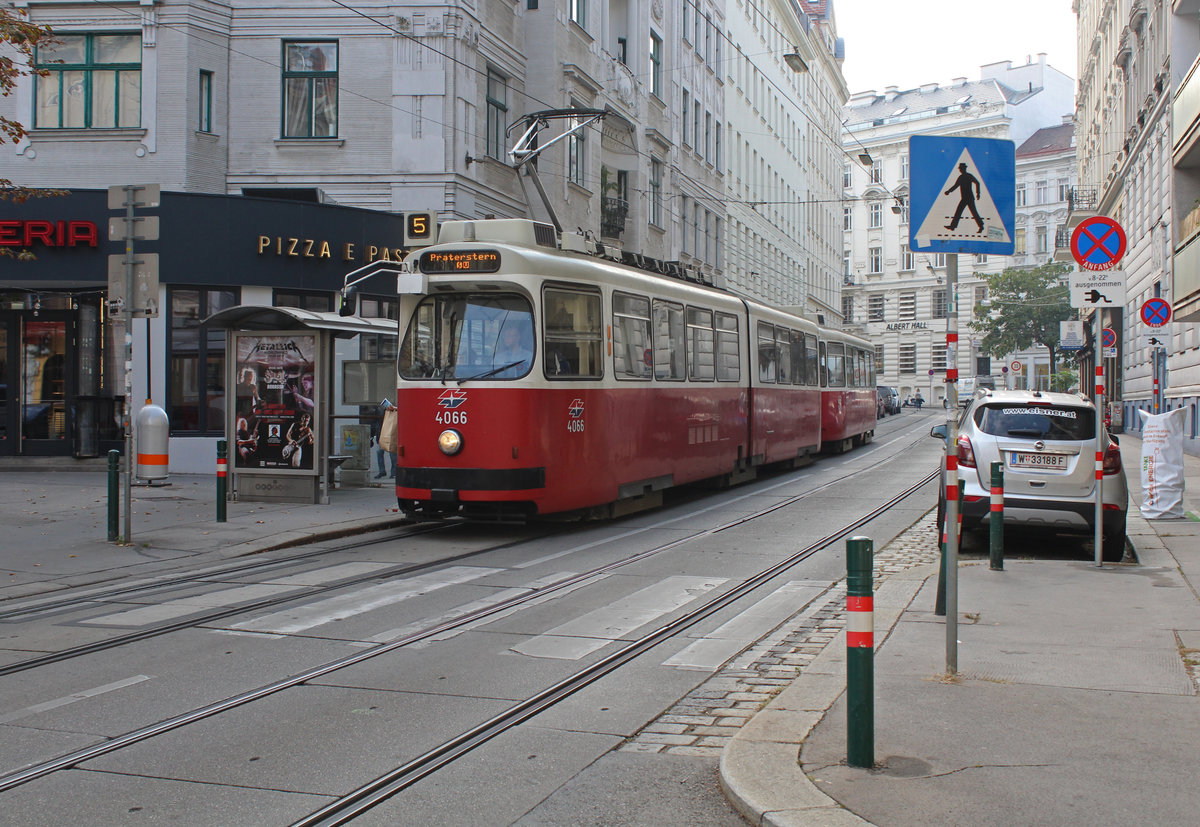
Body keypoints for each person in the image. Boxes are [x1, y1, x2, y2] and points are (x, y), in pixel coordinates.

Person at [373, 401, 397, 479]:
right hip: (382, 434)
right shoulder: (382, 412)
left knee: (392, 454)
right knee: (381, 452)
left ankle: (392, 472)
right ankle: (383, 471)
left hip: (387, 434)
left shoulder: (392, 412)